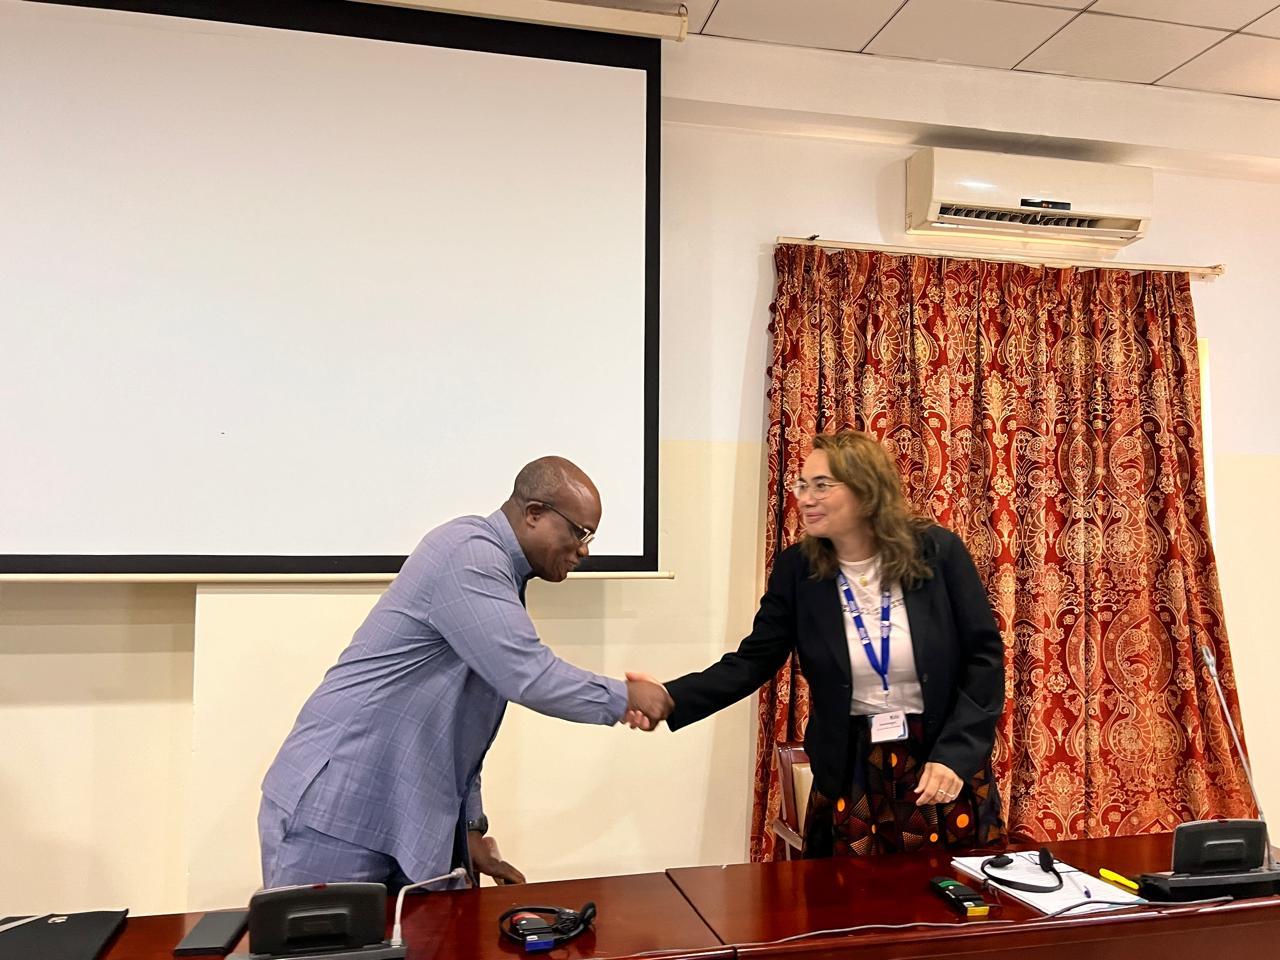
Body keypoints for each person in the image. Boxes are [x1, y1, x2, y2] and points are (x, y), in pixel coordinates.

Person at [260, 457, 673, 889]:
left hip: (395, 818)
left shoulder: (499, 571)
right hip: (337, 811)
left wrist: (471, 828)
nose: (584, 550)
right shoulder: (470, 553)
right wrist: (628, 697)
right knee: (333, 938)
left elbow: (464, 720)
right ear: (534, 513)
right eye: (579, 532)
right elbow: (528, 674)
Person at [632, 430, 1005, 856]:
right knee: (848, 894)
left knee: (950, 891)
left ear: (867, 490)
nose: (805, 499)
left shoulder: (937, 552)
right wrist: (669, 698)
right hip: (852, 766)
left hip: (938, 758)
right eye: (802, 485)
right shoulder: (798, 570)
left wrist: (956, 754)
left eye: (822, 486)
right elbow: (752, 661)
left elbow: (984, 658)